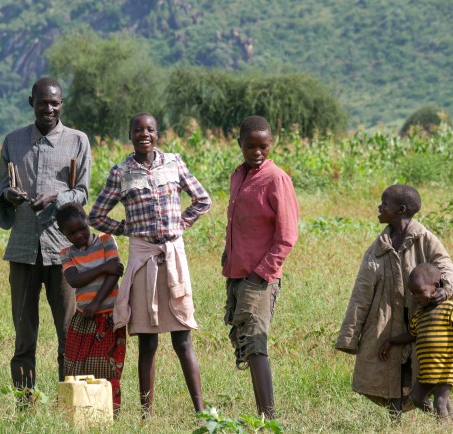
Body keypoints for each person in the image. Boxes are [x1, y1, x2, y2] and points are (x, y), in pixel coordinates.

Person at [88, 112, 211, 417]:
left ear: (158, 134)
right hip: (143, 261)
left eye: (150, 129)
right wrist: (127, 229)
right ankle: (146, 415)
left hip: (172, 257)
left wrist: (180, 224)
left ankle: (200, 410)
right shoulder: (121, 173)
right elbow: (96, 216)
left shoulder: (174, 162)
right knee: (147, 341)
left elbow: (202, 199)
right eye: (138, 130)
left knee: (183, 338)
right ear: (130, 135)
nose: (144, 134)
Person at [0, 77, 91, 392]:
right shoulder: (14, 141)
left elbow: (82, 192)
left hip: (62, 249)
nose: (49, 108)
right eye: (43, 102)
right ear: (30, 101)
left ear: (62, 104)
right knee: (23, 335)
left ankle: (68, 403)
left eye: (55, 102)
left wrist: (55, 198)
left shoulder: (77, 141)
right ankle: (24, 405)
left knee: (68, 333)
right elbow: (1, 190)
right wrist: (9, 196)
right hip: (22, 249)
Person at [335, 184, 453, 417]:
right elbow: (361, 294)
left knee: (429, 374)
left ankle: (445, 418)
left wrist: (445, 288)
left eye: (384, 204)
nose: (379, 207)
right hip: (385, 325)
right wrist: (349, 336)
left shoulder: (425, 239)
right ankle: (396, 423)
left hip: (424, 324)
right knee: (390, 377)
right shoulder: (378, 247)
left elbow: (445, 267)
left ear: (400, 210)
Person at [221, 115, 299, 419]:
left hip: (259, 278)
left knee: (256, 345)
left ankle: (268, 417)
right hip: (237, 274)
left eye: (263, 146)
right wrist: (228, 257)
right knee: (246, 344)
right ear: (239, 143)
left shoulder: (277, 179)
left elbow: (287, 236)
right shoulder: (237, 176)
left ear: (271, 144)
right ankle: (263, 414)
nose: (257, 152)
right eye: (250, 146)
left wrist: (260, 273)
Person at [379, 263, 453, 421]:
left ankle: (443, 427)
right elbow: (410, 335)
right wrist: (391, 341)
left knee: (440, 403)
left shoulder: (449, 308)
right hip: (427, 372)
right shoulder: (420, 315)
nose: (416, 297)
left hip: (445, 370)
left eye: (419, 292)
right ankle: (448, 421)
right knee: (415, 399)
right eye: (413, 294)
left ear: (435, 286)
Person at [56, 202, 127, 414]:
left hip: (109, 316)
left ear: (88, 221)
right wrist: (104, 266)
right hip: (83, 318)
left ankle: (108, 412)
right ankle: (79, 411)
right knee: (76, 365)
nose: (79, 235)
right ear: (63, 233)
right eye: (72, 233)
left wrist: (96, 303)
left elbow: (115, 273)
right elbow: (75, 280)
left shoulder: (106, 240)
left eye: (82, 229)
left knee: (108, 366)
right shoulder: (66, 254)